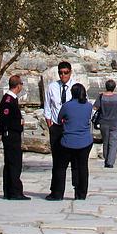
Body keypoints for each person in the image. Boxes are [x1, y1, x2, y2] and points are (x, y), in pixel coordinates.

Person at [48, 83, 94, 200]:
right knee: (82, 167)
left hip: (68, 141)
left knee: (60, 167)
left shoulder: (67, 106)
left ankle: (57, 194)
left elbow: (59, 120)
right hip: (85, 141)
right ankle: (81, 194)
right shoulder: (89, 106)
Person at [0, 74, 29, 200]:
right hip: (11, 135)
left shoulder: (11, 99)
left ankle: (9, 191)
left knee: (10, 163)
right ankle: (14, 192)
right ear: (18, 86)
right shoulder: (8, 100)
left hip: (11, 134)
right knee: (14, 163)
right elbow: (4, 119)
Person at [44, 61, 77, 197]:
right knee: (57, 161)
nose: (63, 75)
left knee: (75, 161)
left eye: (66, 73)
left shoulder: (76, 87)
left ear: (70, 72)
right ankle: (56, 191)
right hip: (56, 127)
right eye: (61, 73)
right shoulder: (52, 87)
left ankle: (78, 190)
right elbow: (47, 107)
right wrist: (50, 125)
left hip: (71, 128)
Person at [94, 79, 117, 169]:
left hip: (103, 123)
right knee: (114, 143)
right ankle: (110, 162)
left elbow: (95, 108)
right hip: (115, 123)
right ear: (114, 87)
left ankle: (106, 158)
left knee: (106, 142)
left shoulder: (101, 97)